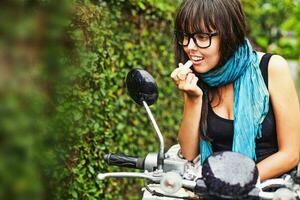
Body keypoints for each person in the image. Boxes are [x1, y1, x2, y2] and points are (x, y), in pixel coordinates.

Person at [171, 0, 300, 181]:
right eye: (185, 36)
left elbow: (291, 153)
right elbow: (189, 154)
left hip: (269, 188)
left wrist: (238, 182)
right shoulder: (198, 76)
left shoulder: (272, 68)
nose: (189, 47)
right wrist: (193, 98)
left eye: (202, 37)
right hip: (213, 185)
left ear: (229, 34)